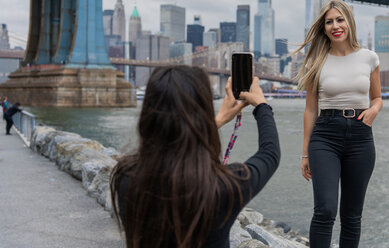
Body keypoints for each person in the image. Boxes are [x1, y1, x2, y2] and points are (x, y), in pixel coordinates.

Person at [110, 65, 280, 248]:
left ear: (148, 114)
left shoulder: (126, 177)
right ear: (203, 110)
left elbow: (172, 143)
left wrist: (220, 120)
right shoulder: (226, 185)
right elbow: (269, 154)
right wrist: (262, 106)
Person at [293, 0, 382, 247]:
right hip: (325, 137)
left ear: (349, 22)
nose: (335, 26)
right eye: (329, 22)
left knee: (352, 216)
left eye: (340, 19)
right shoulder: (316, 61)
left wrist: (374, 110)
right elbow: (311, 109)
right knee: (325, 210)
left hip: (361, 137)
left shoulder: (370, 58)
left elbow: (377, 98)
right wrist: (304, 154)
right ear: (323, 28)